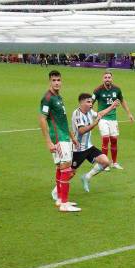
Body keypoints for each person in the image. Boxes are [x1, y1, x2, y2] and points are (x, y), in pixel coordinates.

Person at [39, 70, 81, 212]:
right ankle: (64, 203)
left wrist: (72, 137)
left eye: (58, 80)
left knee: (60, 167)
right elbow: (42, 119)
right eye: (54, 80)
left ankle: (59, 199)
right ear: (49, 81)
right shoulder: (47, 98)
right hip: (58, 137)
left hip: (64, 136)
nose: (57, 83)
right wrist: (48, 142)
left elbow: (62, 121)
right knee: (66, 166)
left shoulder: (59, 97)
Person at [71, 94, 120, 192]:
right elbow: (81, 131)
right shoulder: (77, 114)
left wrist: (112, 106)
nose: (91, 104)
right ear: (81, 103)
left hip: (88, 147)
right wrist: (94, 123)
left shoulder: (90, 112)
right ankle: (56, 192)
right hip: (78, 149)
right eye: (88, 102)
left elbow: (99, 114)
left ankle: (86, 177)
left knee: (106, 162)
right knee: (70, 173)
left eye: (91, 102)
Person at [92, 71, 135, 171]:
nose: (107, 79)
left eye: (109, 77)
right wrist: (94, 114)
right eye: (105, 77)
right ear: (103, 79)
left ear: (112, 79)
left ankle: (114, 162)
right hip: (102, 119)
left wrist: (129, 113)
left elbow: (122, 101)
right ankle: (105, 164)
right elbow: (90, 103)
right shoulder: (98, 90)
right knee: (105, 140)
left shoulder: (117, 89)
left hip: (113, 119)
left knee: (114, 140)